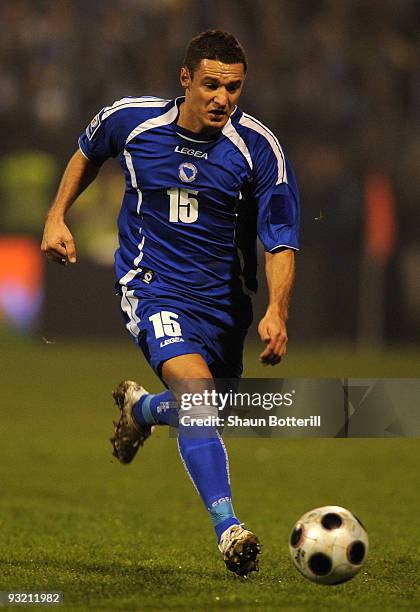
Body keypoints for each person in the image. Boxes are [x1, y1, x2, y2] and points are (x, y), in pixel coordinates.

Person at [41, 30, 300, 577]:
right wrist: (56, 215)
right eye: (210, 85)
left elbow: (279, 239)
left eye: (232, 89)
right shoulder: (132, 122)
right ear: (185, 80)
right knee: (198, 398)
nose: (222, 99)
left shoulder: (258, 149)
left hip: (226, 305)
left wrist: (277, 309)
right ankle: (229, 529)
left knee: (207, 405)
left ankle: (141, 410)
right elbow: (88, 151)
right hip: (153, 285)